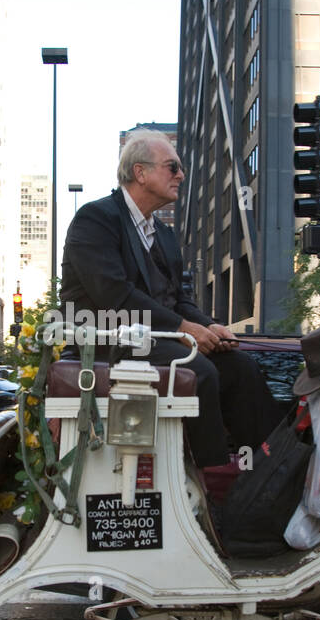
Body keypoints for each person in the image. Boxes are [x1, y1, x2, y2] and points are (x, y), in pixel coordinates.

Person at [60, 130, 281, 467]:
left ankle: (270, 469)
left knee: (241, 367)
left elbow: (178, 298)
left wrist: (210, 326)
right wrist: (183, 328)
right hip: (108, 340)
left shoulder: (163, 234)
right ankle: (208, 476)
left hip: (157, 339)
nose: (181, 174)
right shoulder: (96, 219)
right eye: (172, 167)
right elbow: (115, 296)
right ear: (140, 172)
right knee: (199, 371)